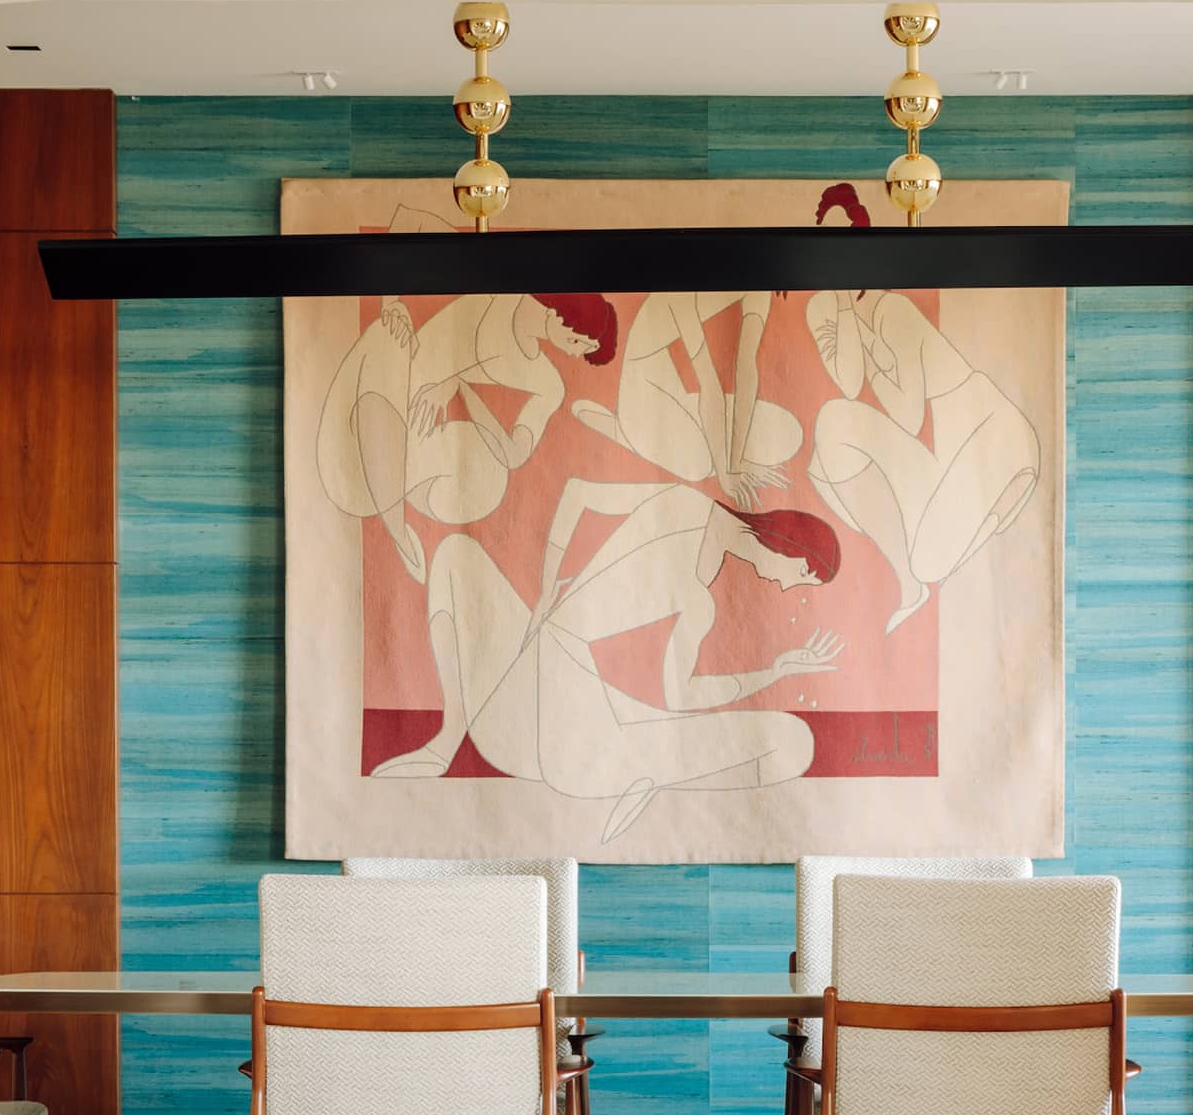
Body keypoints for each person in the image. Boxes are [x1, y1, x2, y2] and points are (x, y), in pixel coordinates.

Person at [372, 478, 844, 844]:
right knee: (792, 740)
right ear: (798, 555)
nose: (786, 587)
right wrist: (773, 673)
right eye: (801, 579)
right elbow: (683, 696)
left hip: (545, 704)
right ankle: (448, 742)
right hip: (557, 736)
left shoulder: (683, 502)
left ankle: (448, 741)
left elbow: (577, 493)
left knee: (456, 553)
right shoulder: (698, 596)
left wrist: (549, 588)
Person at [315, 290, 617, 579]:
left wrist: (462, 388)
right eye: (578, 341)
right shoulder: (497, 294)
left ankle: (398, 521)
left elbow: (514, 455)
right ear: (558, 312)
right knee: (385, 339)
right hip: (372, 407)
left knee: (490, 478)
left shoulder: (549, 384)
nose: (574, 353)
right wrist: (390, 302)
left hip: (414, 447)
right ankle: (399, 533)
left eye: (584, 350)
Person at [806, 288, 1040, 632]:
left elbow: (908, 417)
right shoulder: (852, 322)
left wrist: (858, 335)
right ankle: (916, 582)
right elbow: (851, 385)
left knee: (928, 563)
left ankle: (962, 548)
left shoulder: (892, 310)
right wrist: (850, 328)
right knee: (829, 440)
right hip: (952, 461)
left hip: (996, 442)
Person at [571, 292, 801, 507]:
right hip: (642, 392)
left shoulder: (759, 290)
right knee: (700, 466)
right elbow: (709, 383)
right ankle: (624, 430)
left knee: (789, 432)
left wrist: (737, 461)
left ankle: (662, 436)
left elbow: (746, 369)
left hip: (675, 388)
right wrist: (725, 473)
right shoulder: (681, 294)